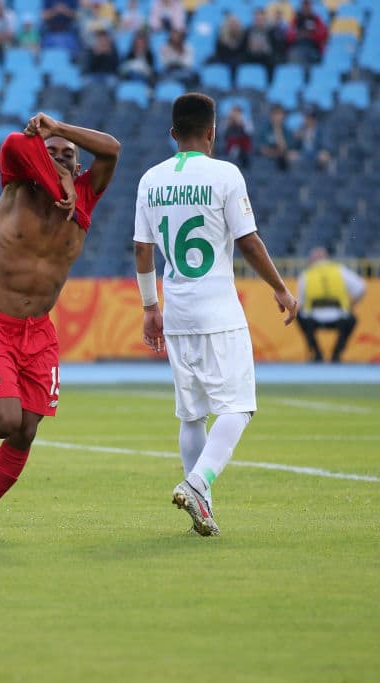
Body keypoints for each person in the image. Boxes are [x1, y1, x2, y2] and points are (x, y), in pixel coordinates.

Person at [0, 112, 120, 538]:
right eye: (49, 150)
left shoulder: (87, 197)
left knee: (26, 430)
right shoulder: (16, 186)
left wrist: (59, 129)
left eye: (66, 155)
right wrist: (55, 171)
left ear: (79, 165)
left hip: (39, 332)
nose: (55, 155)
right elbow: (13, 146)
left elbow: (112, 149)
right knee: (4, 419)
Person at [133, 92, 298, 537]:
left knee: (191, 415)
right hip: (218, 310)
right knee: (239, 406)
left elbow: (143, 248)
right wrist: (280, 288)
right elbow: (247, 241)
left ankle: (201, 507)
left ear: (172, 134)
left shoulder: (151, 179)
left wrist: (151, 307)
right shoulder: (225, 174)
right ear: (212, 132)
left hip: (178, 311)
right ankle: (198, 482)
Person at [296, 246, 366, 363]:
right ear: (327, 258)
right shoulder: (339, 270)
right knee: (352, 319)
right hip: (339, 317)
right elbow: (361, 287)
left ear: (312, 260)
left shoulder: (306, 275)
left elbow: (300, 303)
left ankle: (317, 353)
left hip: (313, 318)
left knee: (299, 317)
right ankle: (336, 353)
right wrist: (352, 305)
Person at [291, 108, 333, 173]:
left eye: (311, 117)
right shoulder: (300, 129)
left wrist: (312, 138)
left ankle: (321, 175)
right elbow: (295, 147)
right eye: (307, 117)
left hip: (316, 152)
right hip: (303, 153)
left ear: (314, 118)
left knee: (324, 155)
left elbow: (326, 145)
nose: (309, 120)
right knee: (292, 155)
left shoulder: (321, 130)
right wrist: (296, 139)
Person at [286, 0, 327, 64]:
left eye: (308, 5)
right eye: (304, 5)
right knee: (295, 56)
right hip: (298, 46)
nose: (306, 7)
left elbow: (322, 34)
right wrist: (299, 35)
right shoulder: (296, 19)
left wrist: (311, 35)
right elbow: (289, 35)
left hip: (313, 47)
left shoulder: (316, 19)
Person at [259, 104, 295, 171]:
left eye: (279, 114)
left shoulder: (288, 131)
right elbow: (261, 148)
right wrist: (275, 152)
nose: (277, 117)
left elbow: (287, 149)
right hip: (266, 162)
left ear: (283, 116)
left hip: (284, 163)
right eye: (275, 114)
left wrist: (278, 131)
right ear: (271, 115)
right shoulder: (264, 130)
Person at [212, 14, 247, 78]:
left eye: (235, 24)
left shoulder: (243, 36)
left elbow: (244, 51)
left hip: (238, 61)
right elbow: (219, 52)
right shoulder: (221, 37)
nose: (233, 26)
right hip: (224, 60)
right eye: (231, 24)